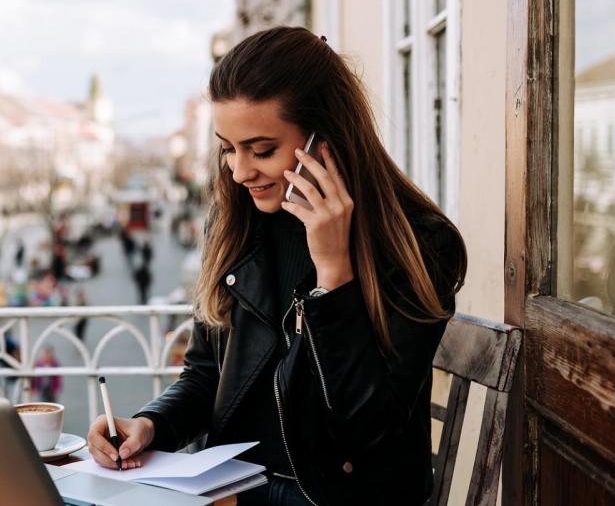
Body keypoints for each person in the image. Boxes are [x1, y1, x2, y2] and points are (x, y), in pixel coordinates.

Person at [87, 27, 466, 506]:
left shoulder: (417, 243)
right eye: (228, 148)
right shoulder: (236, 223)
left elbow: (367, 428)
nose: (241, 171)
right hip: (231, 490)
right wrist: (149, 425)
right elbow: (208, 374)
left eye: (262, 150)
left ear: (325, 137)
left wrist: (333, 274)